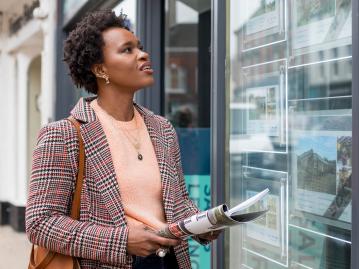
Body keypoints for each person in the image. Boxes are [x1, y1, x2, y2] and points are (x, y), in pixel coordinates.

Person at [25, 10, 219, 269]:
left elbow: (178, 201)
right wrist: (122, 240)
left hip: (170, 261)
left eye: (139, 47)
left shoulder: (162, 129)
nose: (143, 54)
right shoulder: (63, 135)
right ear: (100, 69)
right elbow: (41, 223)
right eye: (127, 50)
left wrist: (202, 224)